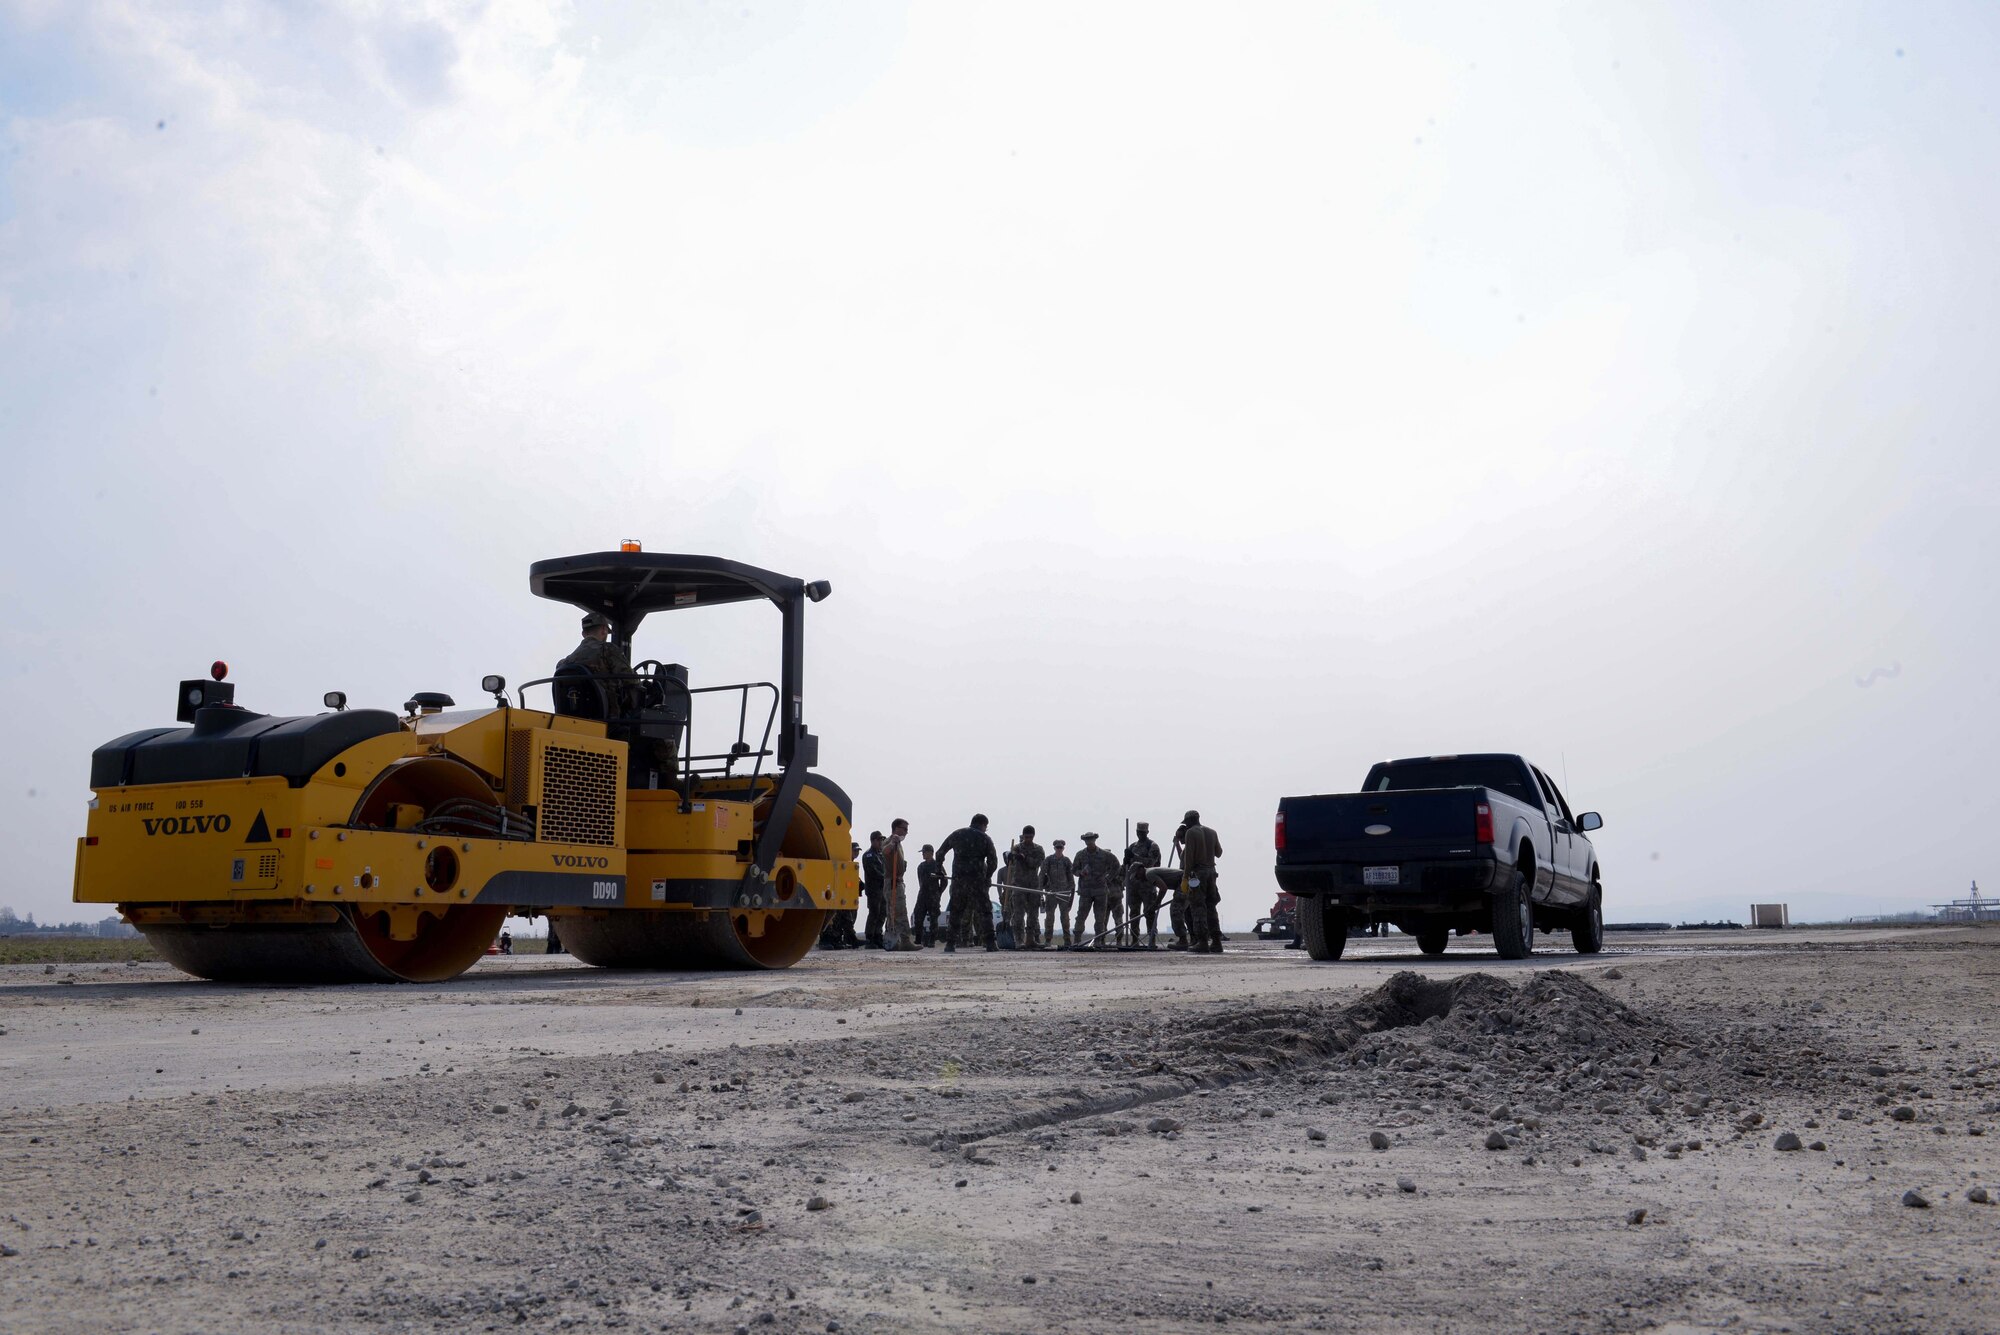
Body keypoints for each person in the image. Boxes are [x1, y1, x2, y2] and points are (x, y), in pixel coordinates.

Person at [937, 815, 1000, 953]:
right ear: (983, 825)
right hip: (978, 881)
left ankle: (950, 944)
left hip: (959, 881)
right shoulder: (985, 838)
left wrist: (939, 870)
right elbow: (993, 862)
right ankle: (990, 943)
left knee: (956, 912)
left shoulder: (957, 834)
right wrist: (987, 877)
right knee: (985, 912)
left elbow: (940, 853)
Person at [555, 612, 633, 715]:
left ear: (583, 634)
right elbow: (631, 680)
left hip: (573, 716)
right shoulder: (608, 650)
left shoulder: (564, 664)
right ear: (604, 630)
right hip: (609, 718)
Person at [1178, 809, 1223, 954]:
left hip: (1198, 874)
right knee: (1211, 907)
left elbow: (1188, 857)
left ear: (1189, 821)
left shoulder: (1191, 833)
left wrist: (1185, 877)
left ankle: (1202, 941)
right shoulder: (1212, 832)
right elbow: (1219, 853)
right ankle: (1216, 941)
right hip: (1211, 872)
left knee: (1198, 908)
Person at [1070, 832, 1119, 949]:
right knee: (1081, 916)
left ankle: (1099, 940)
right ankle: (1077, 940)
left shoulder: (1104, 855)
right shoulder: (1080, 855)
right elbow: (1074, 869)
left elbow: (1116, 865)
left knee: (1100, 918)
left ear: (1095, 840)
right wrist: (1080, 873)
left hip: (1100, 891)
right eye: (1087, 840)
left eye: (1091, 839)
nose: (1089, 842)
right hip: (1085, 891)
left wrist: (1108, 878)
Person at [1003, 825, 1046, 950]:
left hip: (1032, 885)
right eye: (1025, 837)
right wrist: (1010, 857)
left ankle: (1030, 939)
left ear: (1033, 836)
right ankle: (1019, 940)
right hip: (1018, 885)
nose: (1027, 839)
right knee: (1018, 914)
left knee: (1033, 914)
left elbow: (1037, 863)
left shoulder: (1038, 849)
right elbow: (1008, 859)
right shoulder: (1017, 848)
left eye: (1029, 837)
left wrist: (1025, 858)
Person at [1124, 822, 1163, 948]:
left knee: (1149, 912)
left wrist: (1134, 857)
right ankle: (1134, 940)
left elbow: (1151, 862)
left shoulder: (1152, 846)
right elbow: (1128, 867)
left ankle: (1152, 940)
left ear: (1147, 832)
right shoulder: (1132, 846)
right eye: (1138, 832)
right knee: (1133, 914)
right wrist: (1126, 860)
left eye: (1142, 832)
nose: (1140, 834)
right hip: (1133, 886)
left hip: (1147, 885)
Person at [882, 818, 917, 950]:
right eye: (904, 829)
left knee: (893, 912)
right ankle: (905, 941)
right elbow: (885, 851)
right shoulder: (891, 840)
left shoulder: (899, 843)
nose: (906, 832)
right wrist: (893, 843)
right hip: (893, 882)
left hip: (896, 881)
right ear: (896, 828)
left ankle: (894, 942)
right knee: (899, 912)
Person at [821, 844, 862, 949]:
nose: (856, 853)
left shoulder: (851, 864)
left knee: (846, 918)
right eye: (854, 851)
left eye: (857, 851)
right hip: (837, 894)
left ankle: (839, 939)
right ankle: (827, 939)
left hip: (846, 895)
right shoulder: (843, 862)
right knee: (833, 916)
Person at [1039, 839, 1075, 948]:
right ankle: (1048, 940)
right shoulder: (1048, 860)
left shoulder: (1067, 861)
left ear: (1063, 848)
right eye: (1057, 847)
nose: (1059, 849)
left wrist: (1071, 894)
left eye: (1061, 848)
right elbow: (1041, 875)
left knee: (1065, 917)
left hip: (1064, 893)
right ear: (1054, 848)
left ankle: (1067, 941)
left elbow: (1071, 878)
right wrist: (1040, 891)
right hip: (1051, 893)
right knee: (1049, 917)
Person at [912, 843, 947, 946]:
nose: (923, 854)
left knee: (933, 918)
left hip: (933, 896)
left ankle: (932, 940)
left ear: (930, 853)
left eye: (924, 852)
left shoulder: (937, 865)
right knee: (918, 916)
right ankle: (919, 939)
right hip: (922, 895)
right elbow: (920, 881)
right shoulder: (921, 866)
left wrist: (938, 892)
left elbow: (944, 881)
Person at [861, 832, 888, 949]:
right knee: (874, 913)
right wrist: (885, 877)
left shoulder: (881, 855)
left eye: (882, 840)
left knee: (883, 913)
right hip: (873, 889)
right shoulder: (869, 855)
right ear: (873, 841)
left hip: (882, 889)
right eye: (879, 840)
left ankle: (878, 935)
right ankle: (870, 937)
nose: (881, 842)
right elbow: (873, 871)